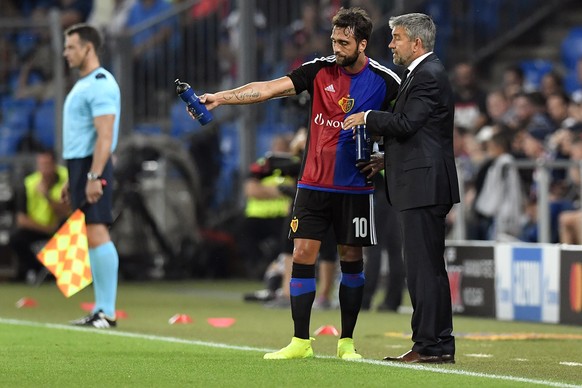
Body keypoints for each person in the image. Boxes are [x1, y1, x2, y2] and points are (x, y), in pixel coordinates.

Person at [193, 7, 400, 360]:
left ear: (362, 43)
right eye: (334, 39)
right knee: (303, 254)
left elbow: (408, 125)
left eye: (344, 42)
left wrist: (386, 159)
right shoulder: (318, 71)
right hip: (313, 185)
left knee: (351, 259)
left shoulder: (386, 81)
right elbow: (268, 89)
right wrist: (221, 97)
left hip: (355, 188)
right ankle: (300, 342)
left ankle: (347, 342)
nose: (336, 47)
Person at [342, 13, 460, 364]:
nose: (391, 44)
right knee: (428, 269)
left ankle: (429, 345)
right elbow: (420, 133)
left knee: (423, 269)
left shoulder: (428, 75)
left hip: (423, 186)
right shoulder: (424, 74)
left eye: (396, 38)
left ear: (416, 43)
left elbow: (408, 123)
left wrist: (367, 117)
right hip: (421, 182)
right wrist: (386, 160)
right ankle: (436, 343)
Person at [60, 23, 121, 329]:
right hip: (81, 166)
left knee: (97, 230)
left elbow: (105, 136)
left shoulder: (100, 83)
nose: (65, 52)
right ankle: (100, 308)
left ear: (88, 48)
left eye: (71, 47)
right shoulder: (85, 83)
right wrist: (73, 178)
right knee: (90, 232)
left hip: (92, 165)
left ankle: (106, 312)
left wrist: (94, 174)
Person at [9, 149, 70, 283]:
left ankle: (64, 273)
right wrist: (47, 229)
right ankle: (38, 270)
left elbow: (69, 211)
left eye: (47, 164)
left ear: (54, 164)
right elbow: (21, 220)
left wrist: (46, 196)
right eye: (41, 165)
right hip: (40, 227)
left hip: (61, 227)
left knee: (69, 226)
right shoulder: (29, 183)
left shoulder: (66, 179)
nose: (44, 169)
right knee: (16, 238)